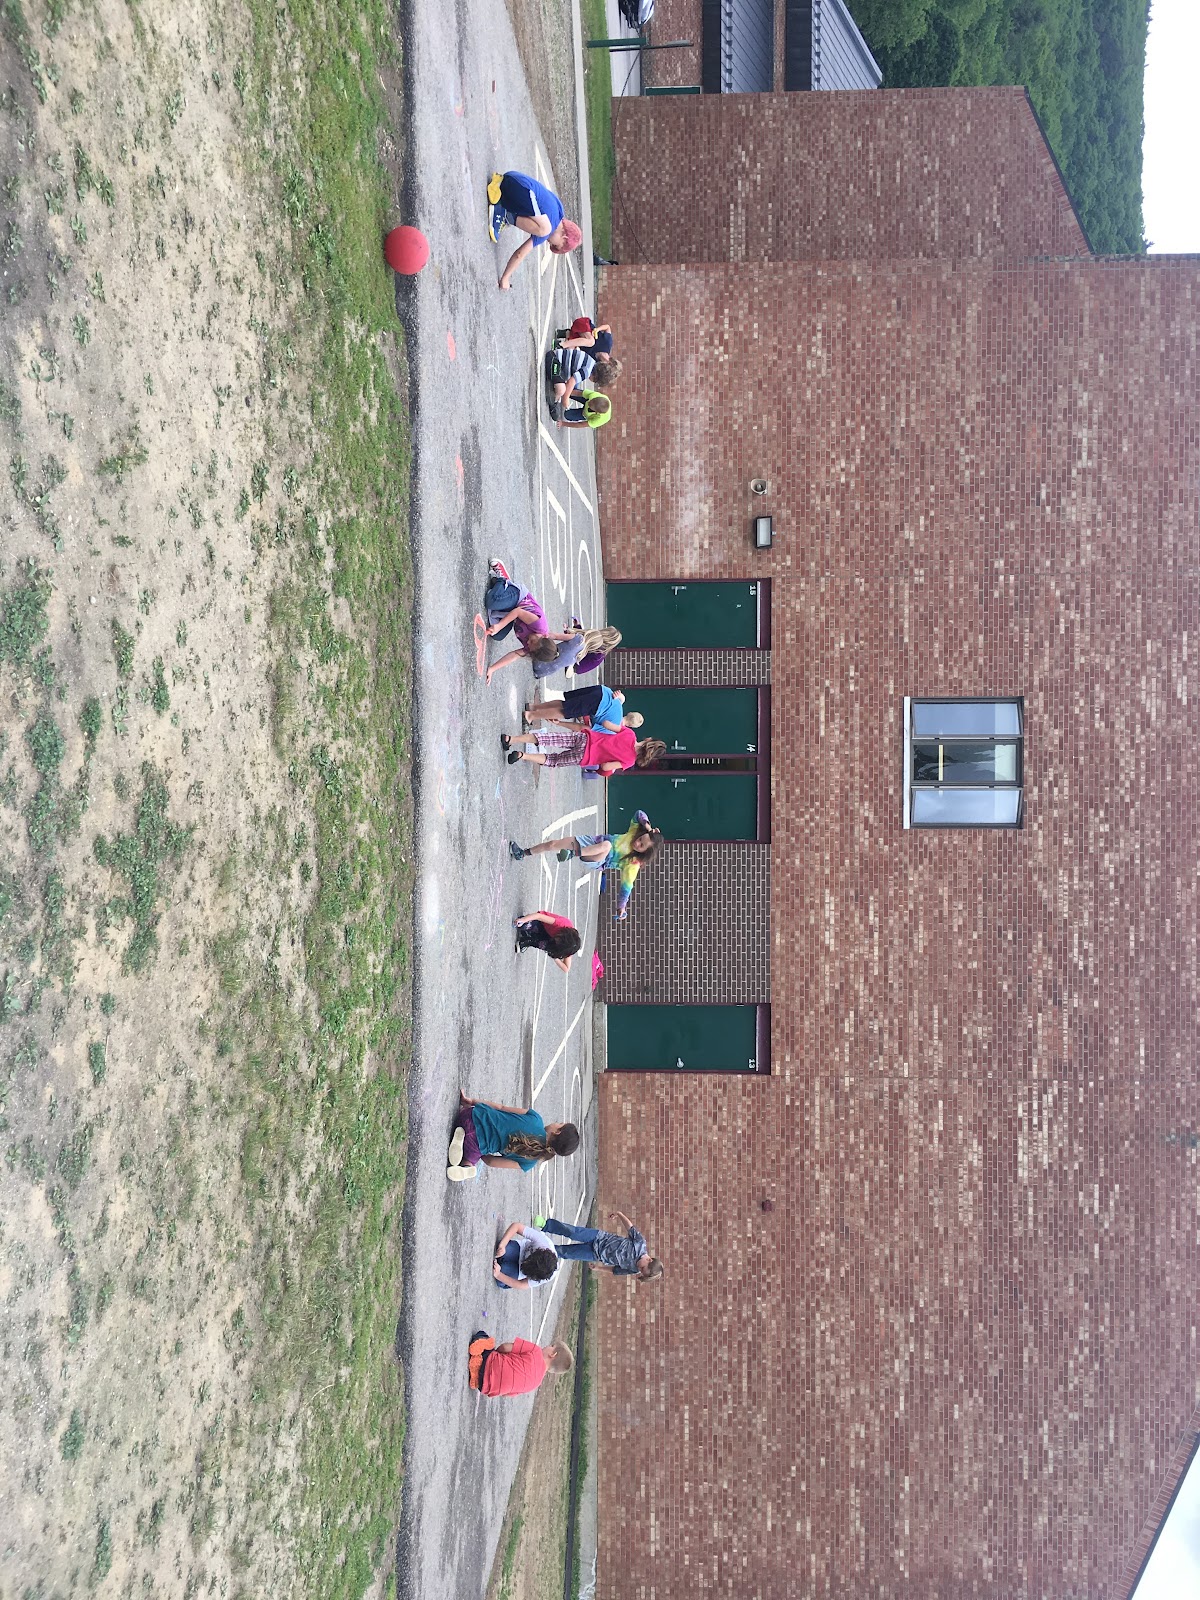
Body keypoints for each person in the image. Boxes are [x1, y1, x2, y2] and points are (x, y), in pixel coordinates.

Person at [509, 810, 661, 920]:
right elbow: (639, 813)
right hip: (593, 843)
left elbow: (626, 888)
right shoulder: (635, 831)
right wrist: (648, 827)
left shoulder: (633, 864)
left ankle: (572, 854)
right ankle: (522, 853)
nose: (637, 843)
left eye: (641, 846)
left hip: (597, 859)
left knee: (607, 846)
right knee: (553, 844)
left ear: (644, 853)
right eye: (641, 839)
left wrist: (621, 907)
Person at [448, 1090, 580, 1183]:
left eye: (559, 1124)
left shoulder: (536, 1118)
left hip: (470, 1117)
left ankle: (461, 1137)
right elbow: (491, 1162)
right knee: (471, 1158)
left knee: (472, 1122)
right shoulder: (530, 1162)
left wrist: (472, 1101)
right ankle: (467, 1166)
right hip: (474, 1147)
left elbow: (501, 1107)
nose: (556, 1123)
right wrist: (479, 1152)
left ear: (557, 1131)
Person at [483, 559, 575, 684]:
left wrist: (492, 669)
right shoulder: (539, 626)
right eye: (531, 641)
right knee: (491, 602)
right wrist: (499, 626)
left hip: (513, 614)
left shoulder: (533, 648)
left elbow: (514, 655)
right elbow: (518, 612)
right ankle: (503, 579)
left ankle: (500, 594)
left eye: (529, 646)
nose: (527, 643)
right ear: (543, 637)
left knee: (497, 636)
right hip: (519, 598)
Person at [487, 171, 582, 291]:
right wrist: (505, 278)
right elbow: (520, 254)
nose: (549, 243)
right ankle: (504, 215)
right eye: (555, 245)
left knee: (537, 218)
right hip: (520, 191)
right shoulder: (547, 230)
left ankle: (502, 193)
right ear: (564, 237)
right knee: (544, 229)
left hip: (512, 178)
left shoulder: (559, 210)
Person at [502, 723, 665, 778]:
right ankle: (523, 755)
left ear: (649, 740)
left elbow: (607, 724)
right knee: (554, 760)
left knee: (548, 738)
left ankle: (511, 739)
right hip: (585, 756)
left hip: (586, 738)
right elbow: (606, 767)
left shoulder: (630, 734)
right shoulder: (629, 761)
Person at [542, 1211, 664, 1283]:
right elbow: (630, 1227)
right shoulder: (640, 1244)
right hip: (598, 1238)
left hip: (595, 1254)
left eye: (641, 1271)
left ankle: (541, 1250)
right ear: (649, 1260)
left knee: (566, 1253)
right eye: (642, 1268)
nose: (639, 1269)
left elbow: (615, 1270)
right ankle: (546, 1225)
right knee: (572, 1232)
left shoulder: (633, 1269)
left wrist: (598, 1268)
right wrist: (619, 1214)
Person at [467, 1332, 574, 1396]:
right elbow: (508, 1394)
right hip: (485, 1387)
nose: (548, 1346)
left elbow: (505, 1347)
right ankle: (476, 1376)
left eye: (552, 1346)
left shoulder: (536, 1351)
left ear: (552, 1354)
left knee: (482, 1335)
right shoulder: (536, 1383)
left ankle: (480, 1353)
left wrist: (496, 1352)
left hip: (489, 1363)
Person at [524, 684, 632, 732]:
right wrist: (560, 723)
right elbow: (582, 728)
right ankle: (530, 715)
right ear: (630, 726)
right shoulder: (613, 731)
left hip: (602, 690)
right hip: (599, 704)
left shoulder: (618, 712)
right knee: (565, 712)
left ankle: (533, 707)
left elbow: (620, 698)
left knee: (565, 703)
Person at [492, 1220, 559, 1291]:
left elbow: (522, 1285)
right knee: (504, 1248)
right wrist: (502, 1245)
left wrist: (498, 1275)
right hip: (520, 1250)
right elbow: (516, 1226)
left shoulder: (543, 1275)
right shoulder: (543, 1243)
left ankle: (506, 1282)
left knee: (502, 1272)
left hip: (520, 1270)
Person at [514, 912, 581, 973]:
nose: (557, 940)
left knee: (548, 946)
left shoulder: (568, 948)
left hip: (549, 938)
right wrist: (524, 920)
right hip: (542, 924)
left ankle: (530, 941)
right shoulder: (562, 924)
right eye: (559, 939)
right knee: (524, 925)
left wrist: (555, 956)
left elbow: (566, 969)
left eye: (559, 942)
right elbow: (539, 916)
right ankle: (531, 928)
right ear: (563, 935)